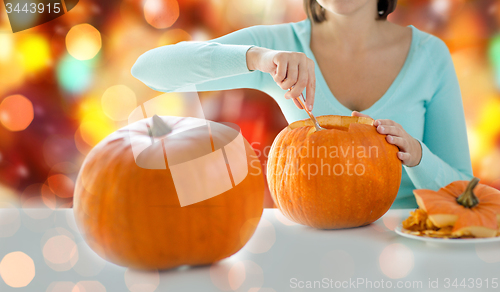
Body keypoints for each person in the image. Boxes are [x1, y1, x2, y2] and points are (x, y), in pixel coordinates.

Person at [131, 0, 473, 208]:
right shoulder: (278, 45)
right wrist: (257, 57)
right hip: (312, 242)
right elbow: (149, 69)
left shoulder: (430, 55)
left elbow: (465, 194)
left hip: (410, 241)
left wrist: (416, 155)